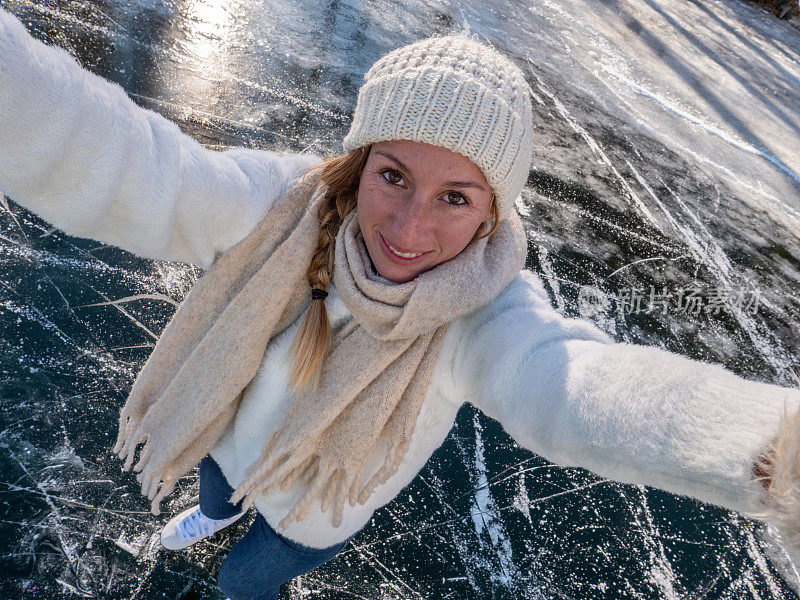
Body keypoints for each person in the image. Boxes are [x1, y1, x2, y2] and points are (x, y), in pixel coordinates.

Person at [2, 6, 800, 599]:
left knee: (243, 584)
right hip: (225, 441)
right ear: (359, 164)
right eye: (393, 177)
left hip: (318, 511)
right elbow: (134, 169)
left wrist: (772, 449)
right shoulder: (280, 209)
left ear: (492, 213)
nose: (411, 229)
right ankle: (213, 513)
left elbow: (570, 385)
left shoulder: (484, 315)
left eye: (455, 197)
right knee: (215, 495)